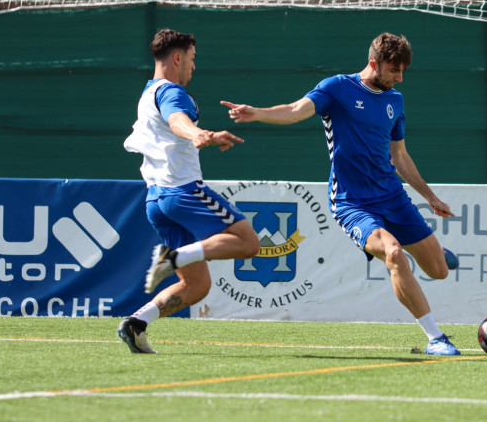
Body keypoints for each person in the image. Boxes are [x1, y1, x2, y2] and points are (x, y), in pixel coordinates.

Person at [221, 32, 462, 355]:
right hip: (352, 203)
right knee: (393, 254)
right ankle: (435, 338)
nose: (400, 78)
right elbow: (295, 109)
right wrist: (258, 113)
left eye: (403, 71)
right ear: (374, 63)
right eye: (394, 71)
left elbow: (399, 157)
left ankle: (433, 251)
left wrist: (430, 197)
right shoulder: (337, 88)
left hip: (393, 198)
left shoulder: (395, 101)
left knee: (439, 271)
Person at [118, 29, 260, 354]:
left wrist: (195, 134)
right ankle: (174, 257)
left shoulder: (148, 92)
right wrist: (200, 134)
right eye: (192, 59)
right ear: (178, 58)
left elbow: (171, 124)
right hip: (182, 191)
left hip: (156, 200)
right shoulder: (172, 92)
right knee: (249, 242)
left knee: (197, 285)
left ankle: (136, 323)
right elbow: (177, 120)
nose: (194, 67)